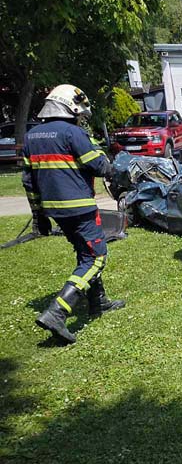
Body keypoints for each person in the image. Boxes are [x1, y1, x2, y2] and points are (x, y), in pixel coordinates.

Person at [22, 84, 125, 344]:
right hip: (80, 208)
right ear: (70, 106)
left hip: (55, 210)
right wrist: (102, 152)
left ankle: (98, 301)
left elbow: (28, 182)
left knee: (84, 252)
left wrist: (39, 216)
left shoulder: (31, 136)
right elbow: (99, 166)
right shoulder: (72, 132)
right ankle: (57, 312)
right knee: (96, 258)